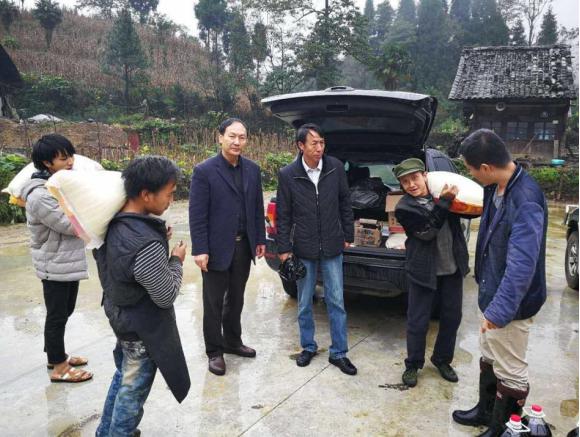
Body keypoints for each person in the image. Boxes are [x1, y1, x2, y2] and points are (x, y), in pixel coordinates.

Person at [452, 129, 547, 437]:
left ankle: (504, 429)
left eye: (471, 169)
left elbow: (522, 265)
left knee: (511, 368)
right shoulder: (496, 187)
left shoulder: (525, 199)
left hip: (512, 304)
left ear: (486, 167)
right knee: (490, 356)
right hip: (492, 291)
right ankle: (485, 412)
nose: (471, 174)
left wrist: (500, 310)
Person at [94, 156, 190, 436]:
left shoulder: (115, 223)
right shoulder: (145, 243)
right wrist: (176, 260)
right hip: (141, 329)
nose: (171, 200)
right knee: (132, 395)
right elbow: (165, 295)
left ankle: (104, 432)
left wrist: (158, 237)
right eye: (169, 194)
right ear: (146, 195)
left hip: (121, 317)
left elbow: (129, 266)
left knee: (122, 378)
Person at [276, 123, 357, 376]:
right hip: (303, 247)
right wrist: (284, 249)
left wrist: (348, 233)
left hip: (333, 244)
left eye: (322, 142)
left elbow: (345, 202)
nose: (319, 148)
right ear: (301, 146)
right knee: (304, 302)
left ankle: (339, 352)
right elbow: (283, 215)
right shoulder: (288, 174)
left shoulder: (335, 167)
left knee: (336, 300)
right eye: (314, 143)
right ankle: (308, 347)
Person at [189, 118, 266, 376]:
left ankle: (232, 341)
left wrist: (260, 239)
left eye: (242, 137)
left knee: (236, 298)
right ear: (220, 137)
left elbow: (256, 208)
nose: (236, 142)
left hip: (243, 246)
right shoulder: (204, 171)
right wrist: (200, 249)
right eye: (232, 136)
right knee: (213, 302)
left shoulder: (252, 170)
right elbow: (197, 215)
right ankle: (214, 351)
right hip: (215, 248)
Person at [21, 134, 92, 383]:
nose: (70, 161)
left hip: (65, 261)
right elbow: (69, 225)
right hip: (54, 263)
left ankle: (56, 355)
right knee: (57, 315)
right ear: (46, 162)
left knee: (65, 310)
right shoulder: (40, 195)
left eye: (71, 156)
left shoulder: (57, 187)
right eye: (63, 158)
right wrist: (89, 208)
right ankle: (59, 368)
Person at [393, 158, 470, 388]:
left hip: (452, 268)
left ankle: (442, 359)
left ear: (425, 175)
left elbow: (471, 212)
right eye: (405, 182)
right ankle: (413, 364)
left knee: (452, 318)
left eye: (415, 178)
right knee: (418, 321)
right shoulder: (404, 207)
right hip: (423, 270)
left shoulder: (443, 195)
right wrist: (445, 202)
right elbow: (427, 232)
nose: (411, 185)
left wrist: (455, 197)